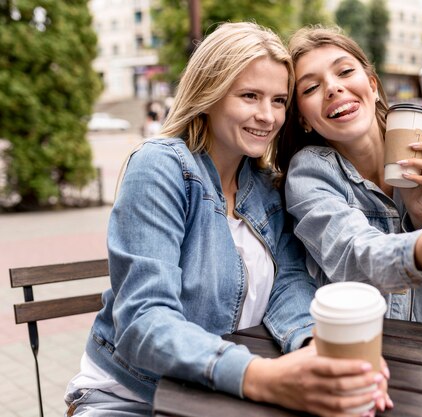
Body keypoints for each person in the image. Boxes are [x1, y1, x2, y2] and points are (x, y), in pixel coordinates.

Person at [64, 22, 389, 417]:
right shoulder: (161, 167)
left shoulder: (267, 188)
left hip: (218, 398)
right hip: (131, 396)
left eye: (278, 100)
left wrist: (314, 350)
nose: (267, 116)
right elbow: (144, 320)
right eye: (249, 96)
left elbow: (288, 282)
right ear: (209, 94)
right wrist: (260, 376)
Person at [276, 26, 422, 330]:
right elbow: (356, 259)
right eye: (310, 88)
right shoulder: (309, 174)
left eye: (344, 71)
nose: (332, 88)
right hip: (366, 354)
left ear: (372, 85)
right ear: (303, 118)